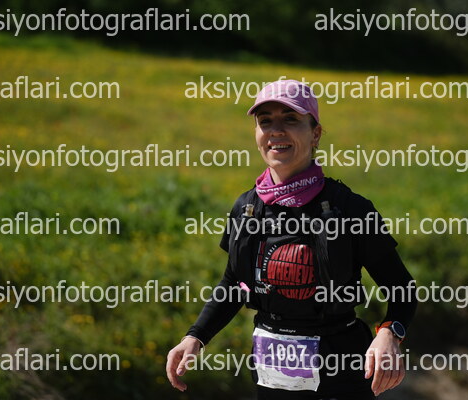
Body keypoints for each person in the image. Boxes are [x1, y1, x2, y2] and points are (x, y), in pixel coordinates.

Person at [167, 79, 417, 399]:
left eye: (290, 119)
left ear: (315, 134)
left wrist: (389, 334)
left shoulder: (350, 209)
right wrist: (195, 337)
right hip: (271, 376)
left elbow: (402, 288)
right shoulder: (246, 209)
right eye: (265, 121)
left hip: (341, 374)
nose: (276, 131)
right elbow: (234, 284)